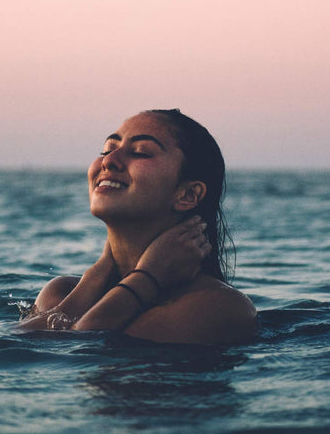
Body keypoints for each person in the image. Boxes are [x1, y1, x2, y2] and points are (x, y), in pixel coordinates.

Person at [19, 109, 257, 344]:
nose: (109, 161)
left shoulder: (219, 306)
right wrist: (98, 273)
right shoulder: (61, 292)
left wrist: (147, 279)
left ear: (187, 194)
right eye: (107, 149)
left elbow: (92, 352)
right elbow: (21, 347)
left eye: (140, 152)